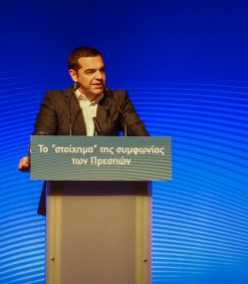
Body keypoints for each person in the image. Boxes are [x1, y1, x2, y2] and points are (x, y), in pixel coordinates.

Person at [17, 46, 149, 215]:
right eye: (90, 72)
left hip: (111, 193)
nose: (99, 77)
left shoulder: (118, 100)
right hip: (64, 194)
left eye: (102, 70)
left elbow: (142, 141)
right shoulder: (56, 100)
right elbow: (42, 135)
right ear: (74, 75)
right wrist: (34, 157)